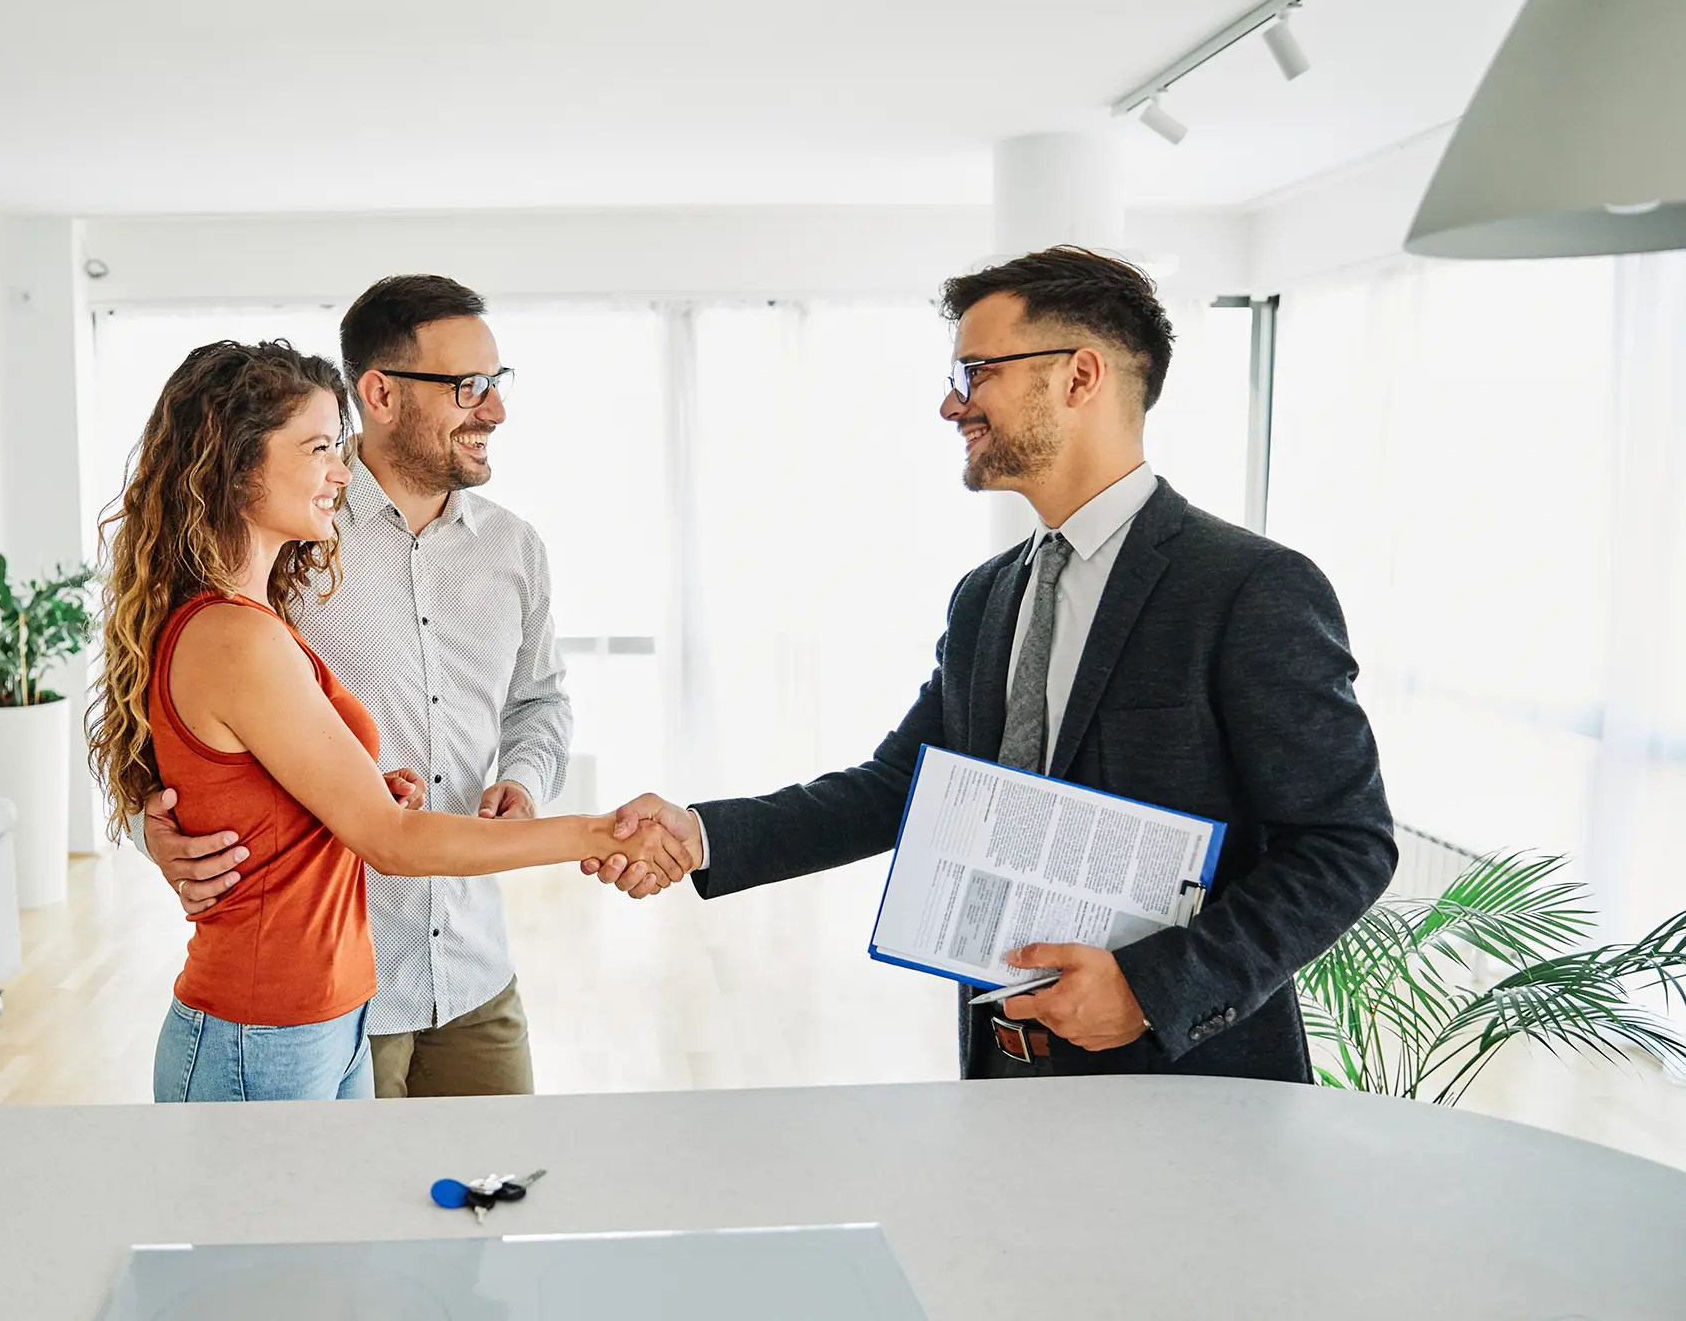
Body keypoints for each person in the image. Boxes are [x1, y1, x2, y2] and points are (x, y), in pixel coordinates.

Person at [589, 246, 1396, 1082]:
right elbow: (903, 786)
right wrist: (704, 833)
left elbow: (1346, 844)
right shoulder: (988, 597)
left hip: (1187, 1074)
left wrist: (1152, 988)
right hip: (1006, 1064)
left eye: (976, 371)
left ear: (1080, 376)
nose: (951, 403)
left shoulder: (1251, 587)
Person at [88, 339, 689, 1102]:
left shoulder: (264, 613)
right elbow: (389, 840)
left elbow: (281, 783)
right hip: (269, 1025)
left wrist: (367, 784)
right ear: (238, 466)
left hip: (348, 1003)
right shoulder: (238, 634)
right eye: (316, 449)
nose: (339, 470)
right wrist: (599, 833)